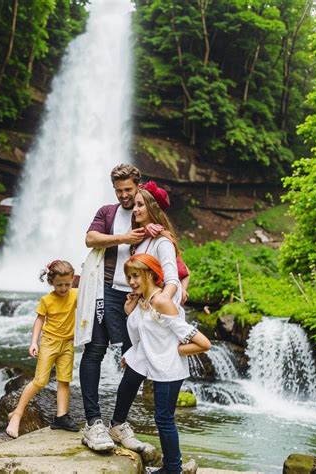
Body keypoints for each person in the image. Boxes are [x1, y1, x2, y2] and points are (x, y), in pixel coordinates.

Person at [108, 180, 193, 452]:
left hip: (159, 320)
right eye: (135, 205)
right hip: (144, 321)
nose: (135, 209)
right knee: (131, 372)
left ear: (153, 207)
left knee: (147, 388)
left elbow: (172, 279)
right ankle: (117, 425)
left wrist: (161, 300)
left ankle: (172, 464)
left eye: (141, 204)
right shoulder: (144, 239)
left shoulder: (162, 241)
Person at [121, 253, 211, 473]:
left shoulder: (162, 301)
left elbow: (203, 344)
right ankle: (172, 467)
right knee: (162, 417)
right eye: (129, 277)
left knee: (163, 418)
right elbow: (145, 335)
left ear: (150, 275)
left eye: (136, 276)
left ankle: (173, 468)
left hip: (170, 370)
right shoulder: (144, 301)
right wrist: (129, 309)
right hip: (159, 367)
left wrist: (176, 350)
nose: (131, 282)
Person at [79, 163, 145, 451]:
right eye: (119, 190)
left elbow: (168, 243)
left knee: (138, 358)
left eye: (128, 190)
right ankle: (93, 422)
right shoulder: (107, 212)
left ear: (138, 186)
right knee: (95, 349)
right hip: (104, 290)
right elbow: (90, 239)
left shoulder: (147, 211)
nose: (123, 195)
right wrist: (123, 238)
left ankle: (118, 423)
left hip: (136, 295)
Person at [6, 260, 79, 438]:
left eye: (67, 284)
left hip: (68, 343)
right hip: (49, 342)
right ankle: (17, 414)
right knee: (40, 381)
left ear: (73, 280)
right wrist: (34, 342)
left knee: (64, 380)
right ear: (51, 282)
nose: (63, 288)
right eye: (59, 285)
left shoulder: (76, 294)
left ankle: (61, 416)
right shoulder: (47, 300)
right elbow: (39, 320)